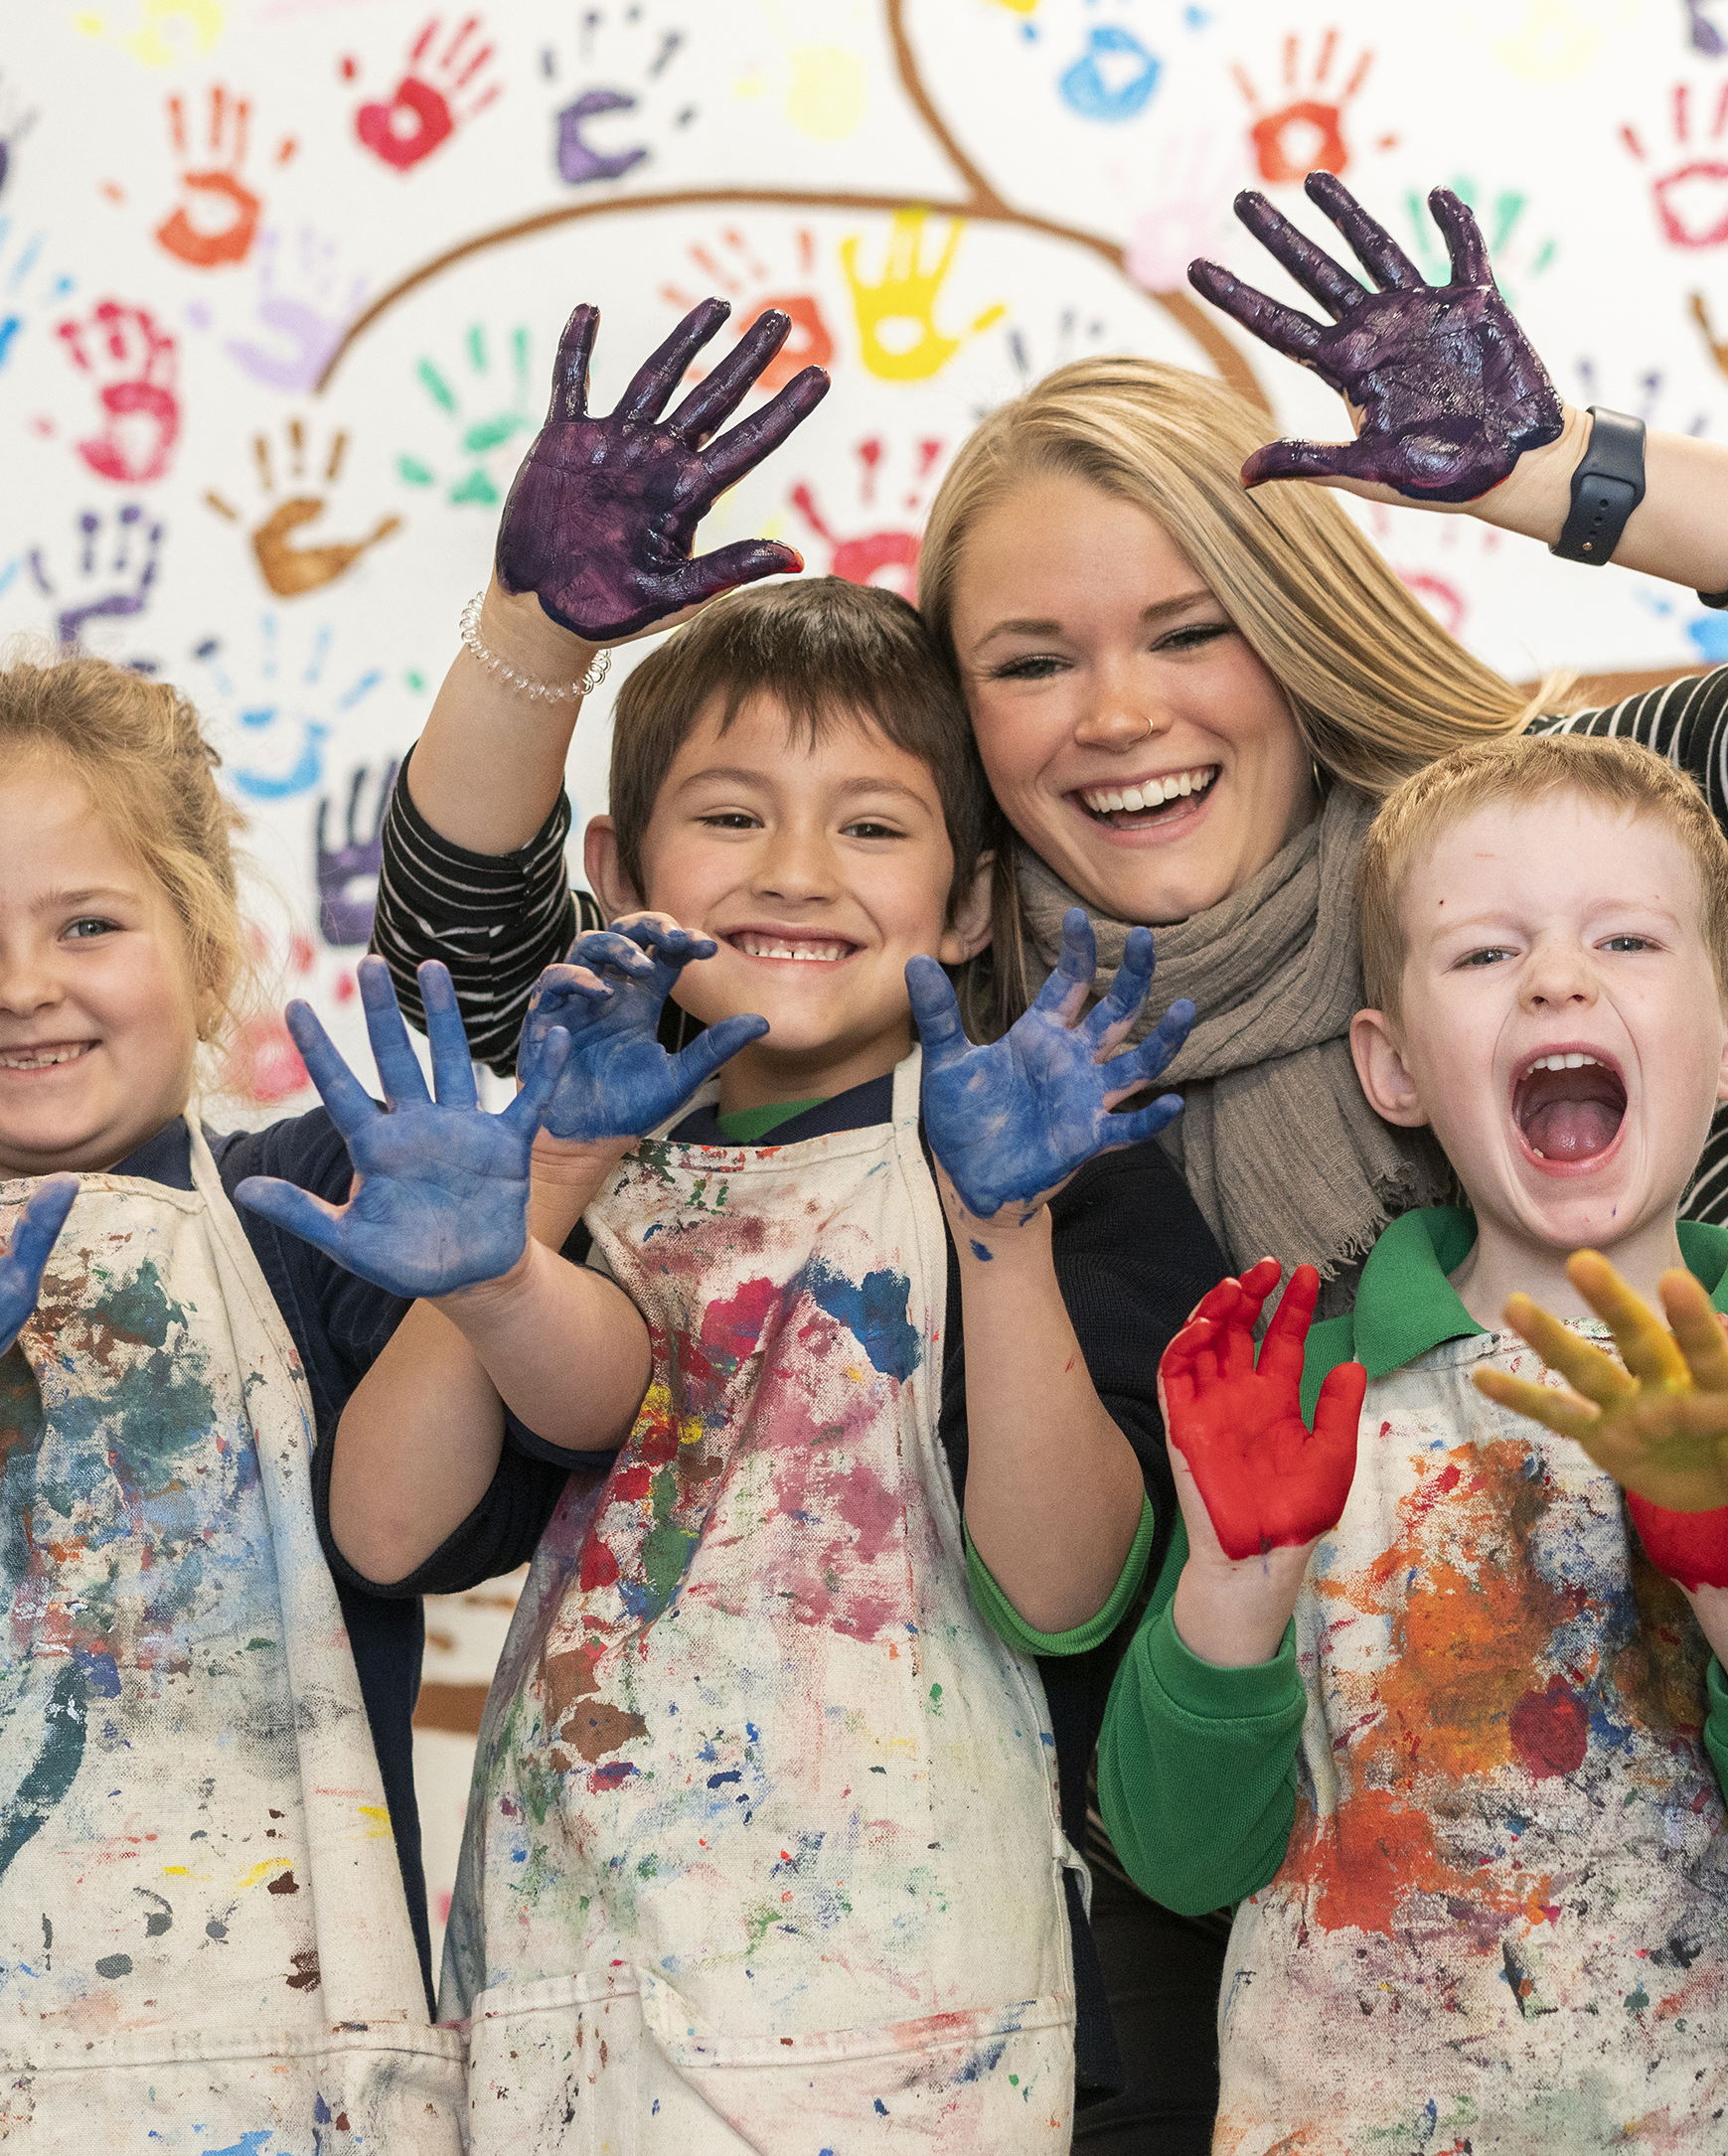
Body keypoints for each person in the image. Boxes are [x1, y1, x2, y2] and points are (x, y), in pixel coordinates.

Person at [369, 179, 1728, 2144]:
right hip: (1173, 1923)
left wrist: (1549, 469)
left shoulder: (1548, 864)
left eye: (1186, 628)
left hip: (1705, 1868)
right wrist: (534, 632)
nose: (1119, 714)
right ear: (964, 742)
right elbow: (495, 985)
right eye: (1033, 659)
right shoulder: (955, 1011)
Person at [239, 573, 1229, 2144]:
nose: (795, 872)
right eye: (732, 815)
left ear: (969, 903)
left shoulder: (1061, 1172)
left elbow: (1056, 1588)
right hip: (575, 1996)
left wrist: (1004, 1229)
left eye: (871, 827)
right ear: (617, 872)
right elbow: (384, 1529)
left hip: (917, 2014)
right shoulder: (569, 1167)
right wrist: (535, 1200)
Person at [0, 655, 582, 2143]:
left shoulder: (310, 1197)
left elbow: (399, 1534)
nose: (22, 983)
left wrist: (488, 1261)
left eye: (88, 922)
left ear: (204, 953)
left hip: (295, 2047)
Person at [1098, 733, 1728, 2149]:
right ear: (1392, 1065)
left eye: (1622, 935)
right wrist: (1231, 1592)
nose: (1559, 976)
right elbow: (1181, 1857)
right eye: (1487, 954)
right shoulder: (1299, 1389)